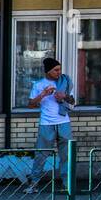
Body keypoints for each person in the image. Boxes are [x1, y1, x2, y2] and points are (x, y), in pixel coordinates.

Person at [24, 56, 74, 193]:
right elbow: (30, 105)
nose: (59, 72)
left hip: (64, 122)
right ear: (48, 71)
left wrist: (64, 97)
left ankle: (67, 185)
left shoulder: (65, 82)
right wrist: (43, 94)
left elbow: (73, 102)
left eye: (59, 69)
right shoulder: (39, 85)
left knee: (66, 156)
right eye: (56, 70)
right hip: (46, 124)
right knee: (41, 155)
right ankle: (33, 184)